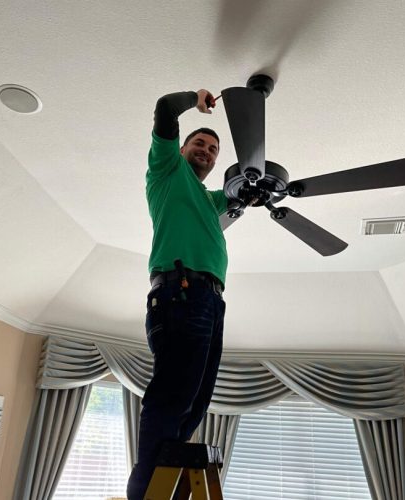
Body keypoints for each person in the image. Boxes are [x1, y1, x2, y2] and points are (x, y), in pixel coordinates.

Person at [126, 89, 229, 500]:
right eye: (200, 143)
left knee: (196, 400)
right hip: (179, 291)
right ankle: (146, 490)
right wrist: (196, 99)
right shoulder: (166, 170)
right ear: (183, 148)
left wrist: (256, 192)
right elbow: (166, 110)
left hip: (209, 298)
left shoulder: (209, 200)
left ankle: (166, 481)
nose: (206, 150)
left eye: (213, 149)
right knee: (173, 394)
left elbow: (236, 200)